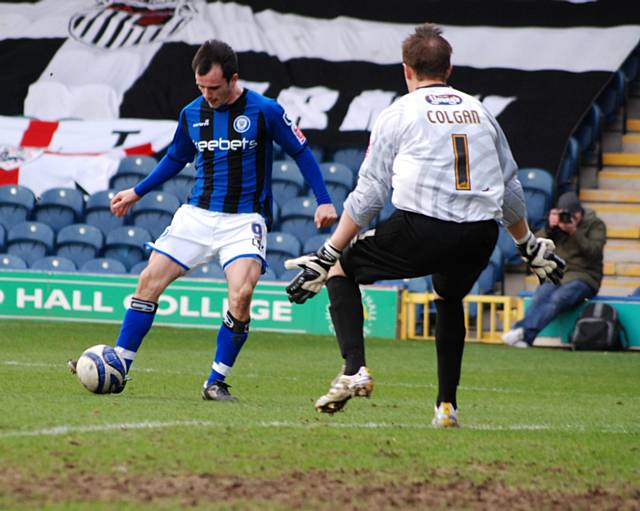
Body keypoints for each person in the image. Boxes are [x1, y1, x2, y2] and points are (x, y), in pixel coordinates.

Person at [283, 24, 565, 428]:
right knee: (448, 298)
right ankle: (446, 407)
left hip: (424, 228)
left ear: (406, 70)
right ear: (449, 69)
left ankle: (354, 370)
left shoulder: (399, 112)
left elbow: (370, 193)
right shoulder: (482, 111)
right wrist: (528, 244)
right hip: (480, 234)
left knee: (342, 268)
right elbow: (509, 186)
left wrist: (328, 252)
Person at [69, 39, 337, 400]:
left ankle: (216, 381)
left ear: (232, 78)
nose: (207, 95)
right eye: (201, 87)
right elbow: (175, 158)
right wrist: (137, 192)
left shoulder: (265, 110)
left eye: (213, 88)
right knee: (148, 281)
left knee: (240, 296)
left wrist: (323, 200)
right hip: (195, 216)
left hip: (243, 221)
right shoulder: (192, 113)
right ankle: (119, 365)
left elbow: (301, 152)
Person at [502, 191, 605, 348]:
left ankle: (523, 332)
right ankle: (522, 336)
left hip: (585, 276)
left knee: (559, 298)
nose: (567, 219)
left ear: (579, 213)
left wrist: (574, 232)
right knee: (541, 295)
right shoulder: (556, 225)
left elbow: (594, 252)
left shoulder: (595, 224)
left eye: (571, 216)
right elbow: (534, 245)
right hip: (560, 273)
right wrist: (550, 228)